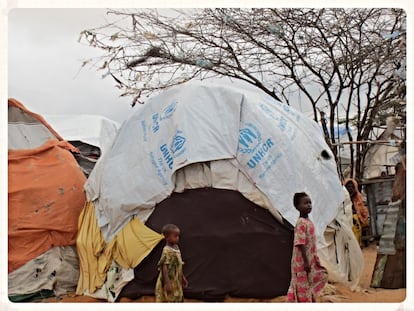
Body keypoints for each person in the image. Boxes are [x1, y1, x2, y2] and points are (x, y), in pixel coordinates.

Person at [287, 192, 328, 302]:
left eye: (310, 203)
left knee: (316, 276)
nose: (309, 205)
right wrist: (305, 261)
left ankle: (308, 299)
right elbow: (300, 243)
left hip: (309, 257)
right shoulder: (301, 223)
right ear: (297, 207)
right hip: (301, 260)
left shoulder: (308, 221)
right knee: (302, 281)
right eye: (305, 203)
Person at [155, 224, 188, 302]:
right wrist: (167, 283)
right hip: (169, 280)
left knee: (177, 298)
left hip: (176, 280)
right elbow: (164, 266)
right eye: (175, 236)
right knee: (169, 298)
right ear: (167, 237)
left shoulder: (177, 248)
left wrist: (182, 277)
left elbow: (178, 264)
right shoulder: (166, 250)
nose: (177, 238)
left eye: (178, 236)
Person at [344, 178, 370, 246]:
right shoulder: (343, 198)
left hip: (356, 223)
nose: (350, 189)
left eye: (352, 187)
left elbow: (363, 211)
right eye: (348, 187)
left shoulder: (358, 198)